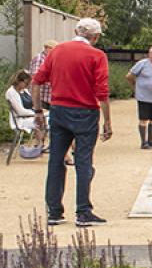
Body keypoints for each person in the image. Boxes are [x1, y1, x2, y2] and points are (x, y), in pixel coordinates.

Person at [33, 17, 113, 225]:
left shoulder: (57, 51)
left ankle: (54, 211)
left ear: (76, 30)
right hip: (85, 112)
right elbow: (102, 92)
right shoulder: (97, 55)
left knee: (56, 160)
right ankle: (83, 211)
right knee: (84, 160)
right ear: (95, 37)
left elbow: (36, 81)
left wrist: (38, 111)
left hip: (59, 110)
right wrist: (107, 121)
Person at [28, 39, 58, 146]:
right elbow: (35, 77)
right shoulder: (39, 59)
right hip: (41, 95)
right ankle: (39, 143)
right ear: (48, 48)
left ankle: (47, 143)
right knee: (41, 120)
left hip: (50, 96)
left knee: (50, 121)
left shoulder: (51, 59)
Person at [6, 70, 38, 135]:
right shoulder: (11, 92)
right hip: (20, 119)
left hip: (30, 117)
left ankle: (41, 143)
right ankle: (40, 143)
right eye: (26, 83)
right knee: (44, 121)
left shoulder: (25, 91)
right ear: (19, 81)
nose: (27, 85)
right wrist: (35, 113)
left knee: (51, 118)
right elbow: (20, 111)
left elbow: (32, 105)